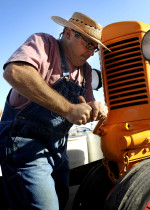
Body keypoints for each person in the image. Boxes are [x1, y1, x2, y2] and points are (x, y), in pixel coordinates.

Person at [0, 12, 109, 209]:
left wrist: (95, 107)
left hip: (57, 149)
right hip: (24, 147)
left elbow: (88, 102)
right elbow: (14, 71)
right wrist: (68, 109)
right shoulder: (44, 44)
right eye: (88, 44)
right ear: (69, 34)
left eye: (95, 48)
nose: (92, 53)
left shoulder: (85, 70)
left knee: (61, 199)